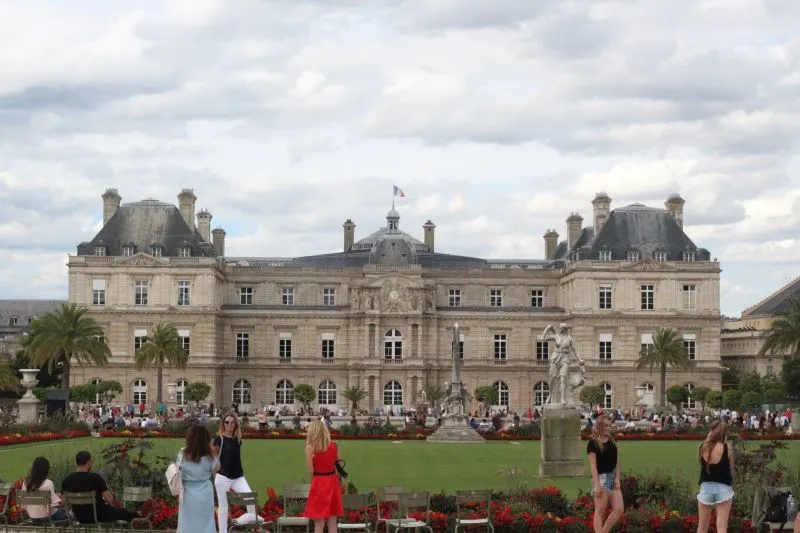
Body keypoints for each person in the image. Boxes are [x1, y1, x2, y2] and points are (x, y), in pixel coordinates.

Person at [213, 412, 261, 533]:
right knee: (223, 507)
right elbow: (212, 456)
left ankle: (238, 522)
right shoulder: (219, 439)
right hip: (223, 476)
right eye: (227, 422)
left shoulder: (237, 439)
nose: (229, 424)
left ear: (235, 424)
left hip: (238, 476)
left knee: (250, 499)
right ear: (223, 424)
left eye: (232, 422)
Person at [61, 451, 136, 523]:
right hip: (99, 515)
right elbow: (109, 499)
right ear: (89, 462)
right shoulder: (96, 478)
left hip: (80, 517)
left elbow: (64, 502)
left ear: (76, 463)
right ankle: (140, 518)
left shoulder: (67, 481)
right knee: (124, 513)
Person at [303, 419, 344, 533]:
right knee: (332, 523)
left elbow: (310, 470)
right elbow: (339, 466)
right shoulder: (334, 445)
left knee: (319, 524)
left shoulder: (310, 448)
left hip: (319, 482)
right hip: (332, 481)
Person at [696, 420, 734, 533]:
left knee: (702, 526)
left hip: (706, 487)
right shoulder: (727, 448)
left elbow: (702, 466)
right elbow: (731, 467)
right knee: (722, 526)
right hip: (723, 487)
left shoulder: (702, 447)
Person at [178, 424, 217, 533]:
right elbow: (216, 469)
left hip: (187, 492)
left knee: (187, 522)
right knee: (206, 522)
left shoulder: (183, 453)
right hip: (205, 492)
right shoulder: (209, 456)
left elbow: (178, 469)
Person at [587, 414, 622, 533]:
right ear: (600, 426)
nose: (608, 428)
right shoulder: (593, 443)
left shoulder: (612, 441)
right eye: (606, 426)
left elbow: (617, 461)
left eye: (609, 425)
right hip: (601, 478)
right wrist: (597, 485)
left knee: (619, 509)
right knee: (600, 511)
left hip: (612, 477)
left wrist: (617, 478)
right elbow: (593, 466)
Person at [21, 457, 69, 523]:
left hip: (33, 516)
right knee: (69, 515)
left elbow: (24, 504)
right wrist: (62, 501)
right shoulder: (48, 483)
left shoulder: (26, 482)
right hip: (47, 516)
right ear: (46, 470)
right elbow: (52, 505)